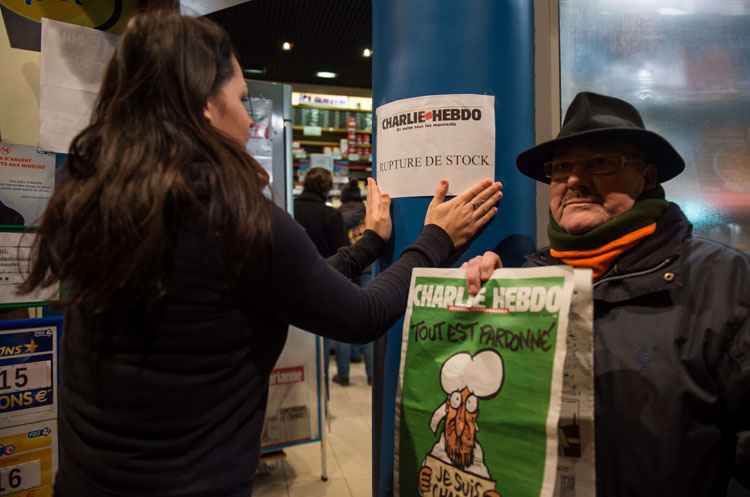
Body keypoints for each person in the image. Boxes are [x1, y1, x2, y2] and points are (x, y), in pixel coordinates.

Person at [20, 13, 502, 497]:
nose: (251, 118)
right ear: (206, 106)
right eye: (241, 99)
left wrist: (368, 246)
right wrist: (436, 237)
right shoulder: (230, 213)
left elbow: (279, 289)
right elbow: (362, 314)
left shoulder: (88, 203)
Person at [463, 91, 750, 497]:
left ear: (647, 177)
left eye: (599, 163)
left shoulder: (723, 280)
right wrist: (475, 306)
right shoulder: (526, 281)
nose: (574, 181)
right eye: (561, 169)